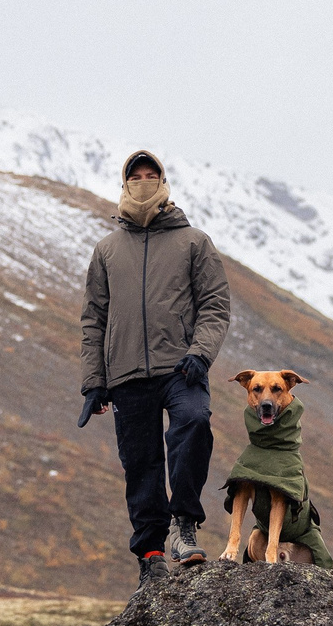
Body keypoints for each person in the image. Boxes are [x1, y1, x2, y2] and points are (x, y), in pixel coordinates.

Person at [79, 150, 231, 579]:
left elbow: (215, 305)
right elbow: (94, 318)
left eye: (151, 175)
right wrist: (94, 381)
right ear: (124, 184)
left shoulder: (193, 242)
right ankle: (150, 555)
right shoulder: (107, 250)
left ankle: (184, 524)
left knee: (194, 422)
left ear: (163, 182)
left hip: (183, 366)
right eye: (136, 176)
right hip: (126, 374)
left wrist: (200, 353)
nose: (143, 182)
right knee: (140, 463)